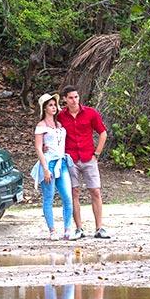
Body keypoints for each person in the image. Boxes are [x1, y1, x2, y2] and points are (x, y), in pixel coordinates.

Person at [57, 86, 110, 239]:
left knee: (95, 191)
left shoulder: (90, 113)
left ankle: (99, 227)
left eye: (76, 97)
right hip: (70, 158)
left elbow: (103, 132)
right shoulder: (61, 116)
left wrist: (97, 153)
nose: (74, 100)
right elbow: (52, 131)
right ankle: (79, 228)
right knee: (74, 192)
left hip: (88, 157)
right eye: (71, 97)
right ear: (65, 99)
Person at [30, 93, 75, 240]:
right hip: (48, 163)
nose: (53, 107)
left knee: (67, 197)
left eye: (54, 104)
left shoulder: (59, 125)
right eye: (50, 105)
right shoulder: (41, 126)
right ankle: (52, 230)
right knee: (49, 197)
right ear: (44, 108)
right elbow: (38, 148)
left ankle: (68, 229)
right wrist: (45, 168)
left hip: (61, 163)